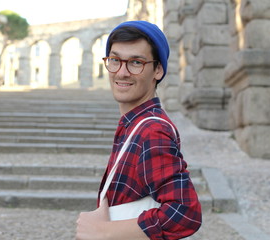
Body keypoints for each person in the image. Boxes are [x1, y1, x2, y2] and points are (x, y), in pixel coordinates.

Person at [76, 21, 202, 240]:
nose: (122, 73)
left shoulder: (152, 130)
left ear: (158, 69)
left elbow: (185, 212)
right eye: (115, 60)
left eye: (136, 62)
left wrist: (104, 232)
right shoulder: (133, 124)